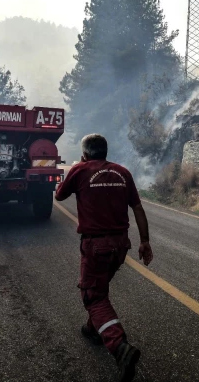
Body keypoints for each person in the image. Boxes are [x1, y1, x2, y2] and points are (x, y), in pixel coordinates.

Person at [55, 133, 154, 382]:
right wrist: (145, 241)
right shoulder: (122, 172)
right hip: (121, 245)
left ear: (85, 153)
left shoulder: (79, 170)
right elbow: (138, 208)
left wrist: (79, 167)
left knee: (93, 296)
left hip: (96, 246)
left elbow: (58, 196)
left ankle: (120, 347)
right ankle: (93, 329)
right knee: (100, 287)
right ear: (105, 151)